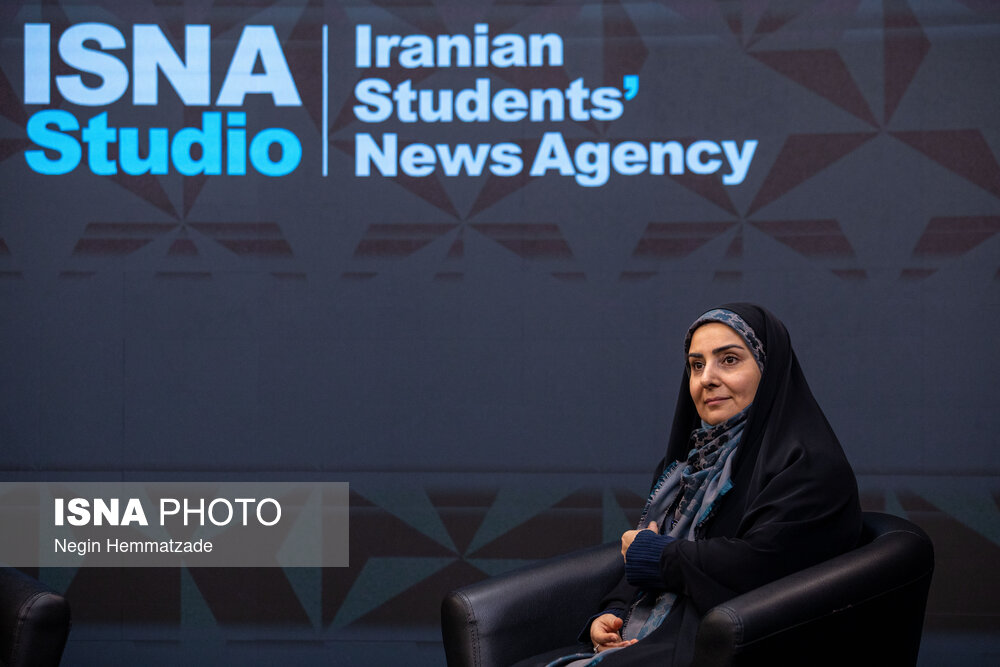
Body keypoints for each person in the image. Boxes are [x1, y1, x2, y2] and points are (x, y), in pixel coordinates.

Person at [513, 303, 862, 667]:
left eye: (729, 360)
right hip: (663, 633)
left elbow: (764, 565)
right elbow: (646, 548)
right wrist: (613, 612)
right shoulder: (688, 465)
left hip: (729, 646)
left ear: (768, 369)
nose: (706, 378)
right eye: (696, 365)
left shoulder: (809, 466)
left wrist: (658, 556)